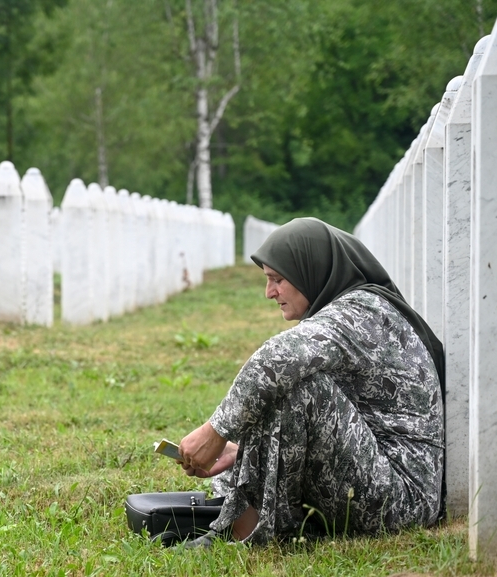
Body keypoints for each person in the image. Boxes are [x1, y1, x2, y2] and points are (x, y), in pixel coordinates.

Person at [177, 217, 445, 546]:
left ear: (311, 269)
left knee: (296, 383)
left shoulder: (361, 311)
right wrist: (248, 450)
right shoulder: (352, 308)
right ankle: (242, 520)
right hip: (378, 474)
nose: (269, 292)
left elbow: (276, 360)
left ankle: (247, 534)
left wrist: (215, 432)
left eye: (277, 279)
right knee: (286, 381)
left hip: (402, 501)